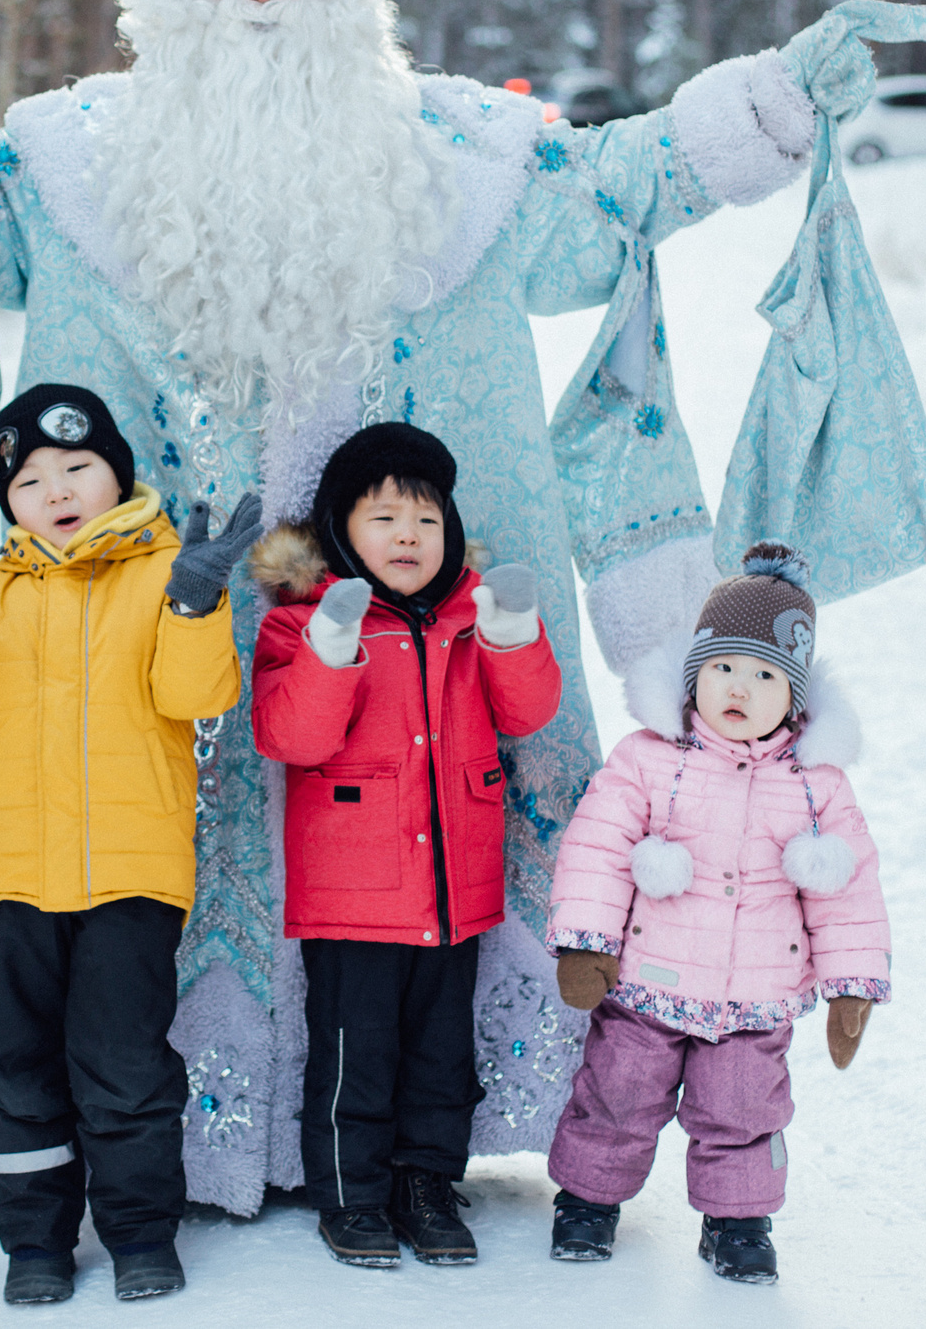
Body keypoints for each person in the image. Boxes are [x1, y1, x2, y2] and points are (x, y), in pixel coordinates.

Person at [0, 0, 904, 1209]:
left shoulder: (462, 160)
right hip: (167, 645)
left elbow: (628, 181)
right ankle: (170, 1137)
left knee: (414, 885)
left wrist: (776, 97)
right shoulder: (76, 162)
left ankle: (403, 1144)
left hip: (411, 650)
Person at [0, 383, 264, 1305]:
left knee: (123, 1061)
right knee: (16, 1067)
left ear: (117, 475)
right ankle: (35, 1242)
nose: (56, 490)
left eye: (78, 467)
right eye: (31, 478)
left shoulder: (163, 571)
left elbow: (197, 696)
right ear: (7, 500)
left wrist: (196, 603)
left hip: (133, 874)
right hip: (19, 878)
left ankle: (137, 1232)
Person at [249, 424, 563, 1268]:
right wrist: (332, 647)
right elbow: (291, 734)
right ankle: (350, 1196)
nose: (407, 537)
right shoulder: (300, 623)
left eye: (426, 520)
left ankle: (426, 1182)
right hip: (354, 897)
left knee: (438, 1054)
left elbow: (528, 713)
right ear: (340, 531)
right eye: (384, 518)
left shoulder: (471, 618)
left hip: (452, 887)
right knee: (355, 1054)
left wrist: (512, 633)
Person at [542, 543, 890, 1285]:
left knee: (744, 1110)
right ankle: (587, 1200)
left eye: (765, 675)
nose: (739, 687)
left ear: (793, 697)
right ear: (695, 671)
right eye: (724, 667)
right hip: (645, 983)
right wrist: (586, 942)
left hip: (754, 996)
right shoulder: (647, 759)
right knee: (617, 1093)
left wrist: (851, 987)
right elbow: (598, 846)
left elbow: (847, 892)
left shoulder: (815, 787)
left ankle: (738, 1220)